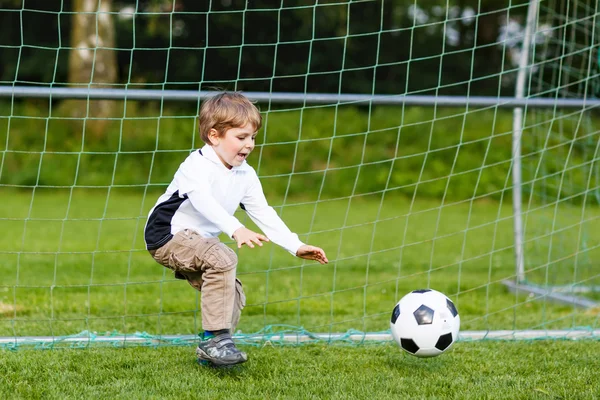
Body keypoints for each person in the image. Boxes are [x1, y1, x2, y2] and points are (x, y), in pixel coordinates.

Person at [144, 91, 329, 367]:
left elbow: (264, 212)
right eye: (241, 137)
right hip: (167, 235)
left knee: (234, 292)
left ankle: (211, 347)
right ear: (214, 136)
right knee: (224, 257)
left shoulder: (246, 174)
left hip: (200, 241)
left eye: (253, 137)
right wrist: (235, 229)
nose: (250, 144)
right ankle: (216, 342)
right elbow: (203, 201)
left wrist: (296, 245)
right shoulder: (195, 165)